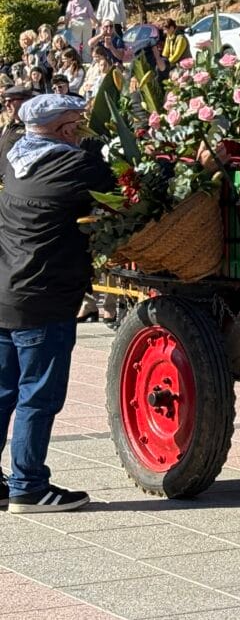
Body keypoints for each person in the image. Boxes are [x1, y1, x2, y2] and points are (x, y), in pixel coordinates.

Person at [0, 93, 116, 513]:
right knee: (37, 396)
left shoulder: (13, 159)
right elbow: (120, 185)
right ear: (65, 130)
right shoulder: (74, 163)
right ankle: (28, 487)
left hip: (5, 293)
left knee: (3, 391)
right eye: (76, 124)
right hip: (44, 297)